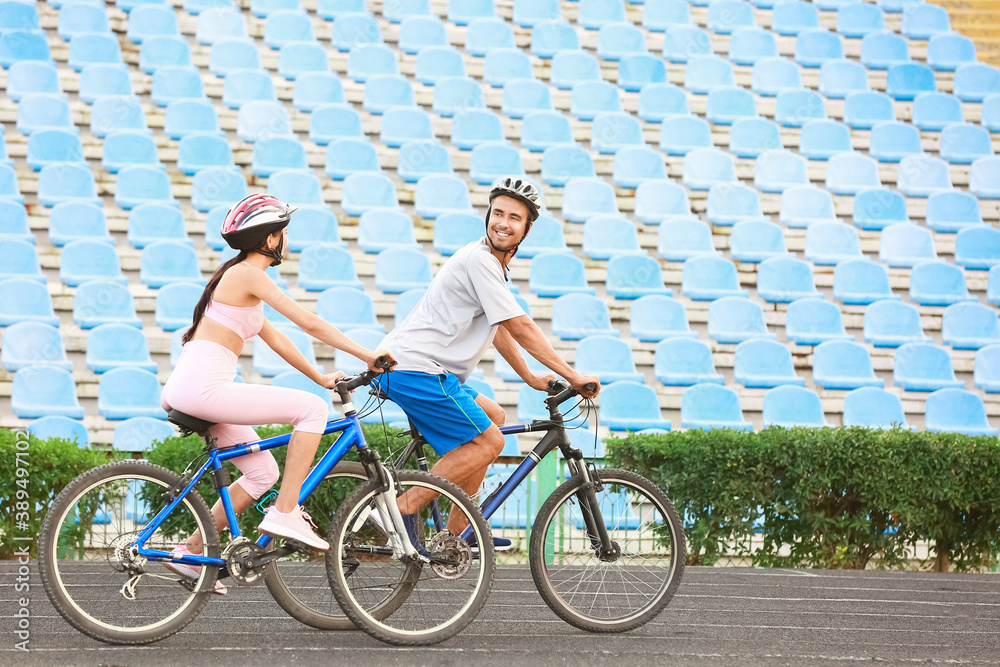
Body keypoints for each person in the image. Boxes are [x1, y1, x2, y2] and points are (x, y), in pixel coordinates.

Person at [160, 194, 393, 593]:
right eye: (283, 233)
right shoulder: (249, 275)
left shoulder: (240, 281)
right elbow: (309, 323)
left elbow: (279, 339)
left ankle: (191, 553)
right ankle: (286, 512)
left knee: (263, 472)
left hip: (194, 387)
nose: (287, 241)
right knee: (312, 411)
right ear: (269, 238)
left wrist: (320, 375)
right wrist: (368, 355)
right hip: (204, 388)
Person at [373, 177, 601, 550]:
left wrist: (529, 376)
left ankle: (458, 532)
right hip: (415, 369)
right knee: (488, 443)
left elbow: (498, 329)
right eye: (498, 213)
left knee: (494, 417)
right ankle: (398, 511)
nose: (503, 222)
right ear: (487, 215)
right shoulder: (481, 260)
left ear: (527, 228)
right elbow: (520, 325)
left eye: (514, 217)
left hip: (425, 370)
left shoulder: (491, 265)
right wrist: (573, 376)